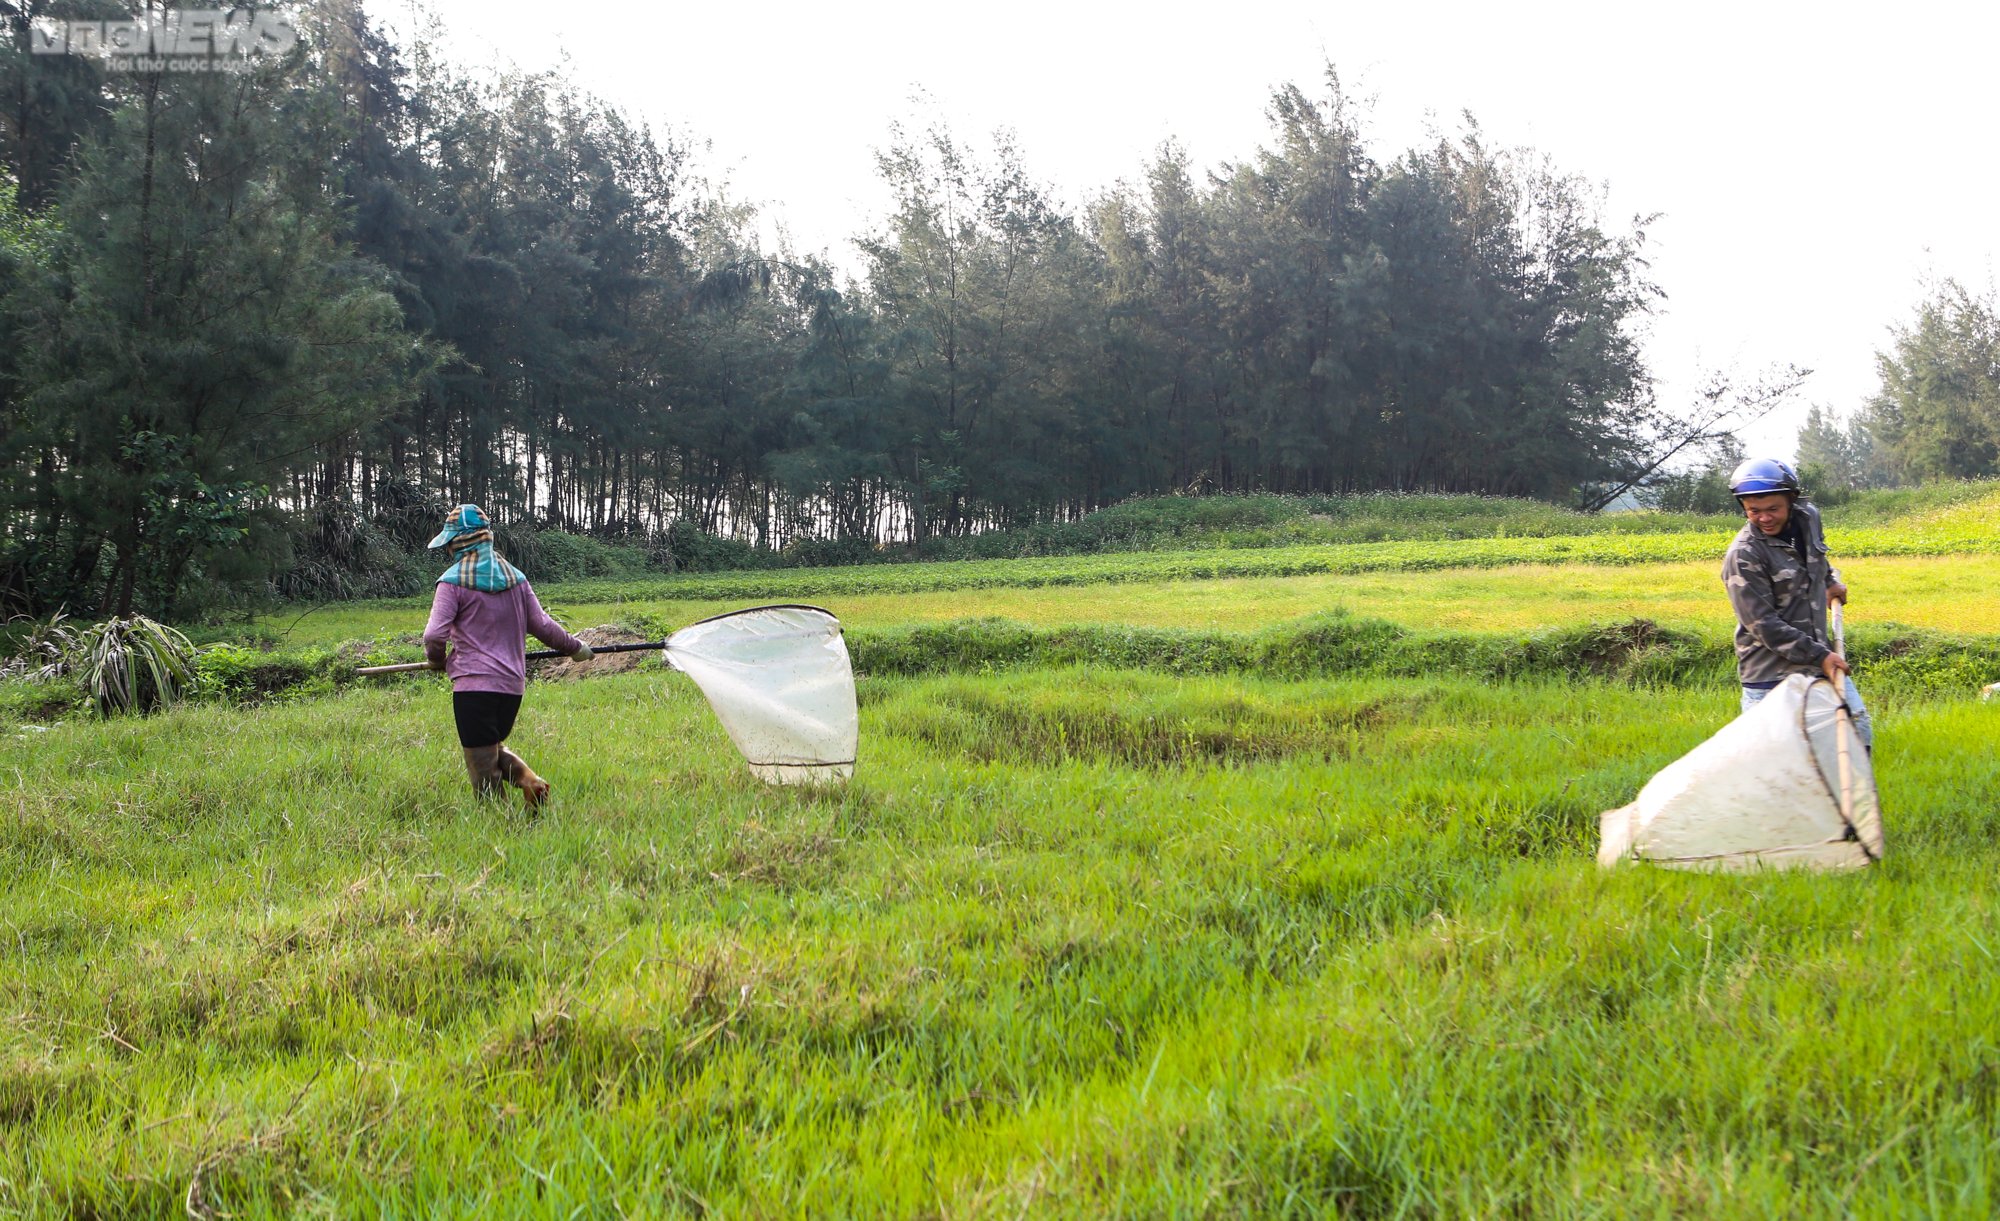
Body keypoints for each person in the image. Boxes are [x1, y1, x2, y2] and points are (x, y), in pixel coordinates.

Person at [421, 505, 593, 806]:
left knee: (481, 766)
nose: (448, 550)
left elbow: (434, 635)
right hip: (512, 687)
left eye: (449, 544)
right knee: (490, 748)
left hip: (473, 686)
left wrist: (436, 660)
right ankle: (529, 783)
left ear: (459, 542)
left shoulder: (452, 582)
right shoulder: (516, 578)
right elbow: (541, 624)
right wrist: (575, 647)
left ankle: (500, 820)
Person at [1720, 458, 1872, 748]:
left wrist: (1828, 582)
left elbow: (1816, 557)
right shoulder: (1744, 556)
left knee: (1856, 739)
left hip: (1818, 664)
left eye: (1773, 509)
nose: (1764, 518)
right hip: (1770, 677)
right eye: (1754, 511)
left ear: (1791, 500)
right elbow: (1765, 627)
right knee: (1774, 765)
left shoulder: (1808, 519)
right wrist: (1822, 657)